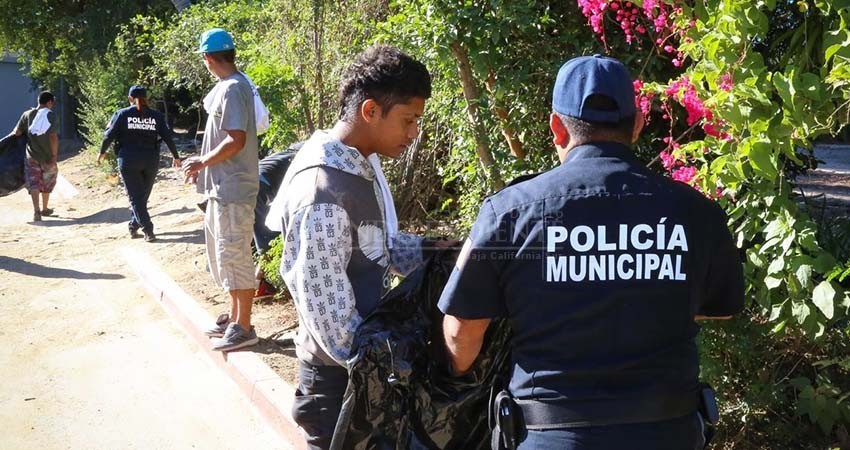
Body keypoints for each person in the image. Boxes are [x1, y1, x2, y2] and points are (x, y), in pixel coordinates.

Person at [437, 55, 745, 450]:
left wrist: (455, 374)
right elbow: (722, 306)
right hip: (669, 433)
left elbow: (462, 332)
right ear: (636, 124)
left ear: (556, 128)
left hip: (550, 437)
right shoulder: (695, 212)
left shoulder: (510, 212)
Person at [265, 45, 444, 450]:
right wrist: (392, 368)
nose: (414, 133)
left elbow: (376, 248)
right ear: (369, 111)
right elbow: (329, 313)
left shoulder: (358, 164)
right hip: (340, 384)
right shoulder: (323, 191)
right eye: (408, 120)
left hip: (363, 373)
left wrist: (439, 251)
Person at [182, 28, 260, 352]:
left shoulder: (234, 88)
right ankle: (233, 317)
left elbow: (235, 140)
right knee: (225, 257)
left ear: (208, 58)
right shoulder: (228, 87)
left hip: (233, 190)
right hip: (222, 189)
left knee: (235, 255)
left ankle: (244, 326)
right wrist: (203, 165)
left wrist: (202, 162)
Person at [98, 85, 181, 242]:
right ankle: (133, 226)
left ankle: (148, 230)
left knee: (137, 198)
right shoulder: (156, 116)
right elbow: (167, 136)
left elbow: (109, 135)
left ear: (130, 98)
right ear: (146, 98)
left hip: (128, 160)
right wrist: (176, 156)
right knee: (141, 197)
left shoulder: (122, 114)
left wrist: (102, 152)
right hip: (151, 160)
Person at [252, 143, 301, 300]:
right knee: (266, 238)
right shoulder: (301, 158)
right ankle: (260, 284)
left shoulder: (285, 154)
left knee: (260, 234)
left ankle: (259, 281)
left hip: (248, 185)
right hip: (258, 190)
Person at [6, 91, 59, 222]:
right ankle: (45, 208)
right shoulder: (51, 116)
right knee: (48, 181)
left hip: (31, 156)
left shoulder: (27, 115)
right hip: (47, 156)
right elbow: (53, 137)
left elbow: (17, 132)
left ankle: (37, 211)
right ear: (49, 102)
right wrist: (54, 155)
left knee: (34, 182)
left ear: (38, 101)